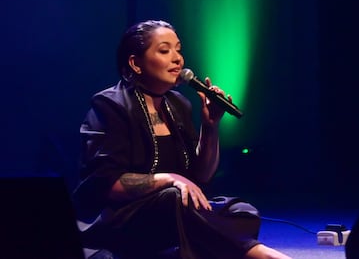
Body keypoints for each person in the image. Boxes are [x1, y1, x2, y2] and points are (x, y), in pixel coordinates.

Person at [72, 19, 292, 259]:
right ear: (136, 63)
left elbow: (201, 177)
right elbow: (108, 184)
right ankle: (259, 254)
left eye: (178, 49)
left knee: (241, 212)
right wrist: (168, 178)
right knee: (174, 198)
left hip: (172, 211)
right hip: (121, 217)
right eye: (165, 50)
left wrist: (210, 126)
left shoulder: (178, 104)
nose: (177, 58)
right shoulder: (110, 106)